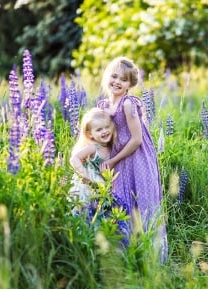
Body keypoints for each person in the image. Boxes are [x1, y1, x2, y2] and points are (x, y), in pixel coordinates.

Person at [97, 56, 168, 262]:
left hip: (136, 158)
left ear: (130, 85)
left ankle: (151, 258)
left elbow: (136, 140)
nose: (118, 82)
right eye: (114, 76)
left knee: (142, 201)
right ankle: (125, 256)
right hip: (116, 160)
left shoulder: (128, 104)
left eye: (124, 80)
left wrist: (112, 161)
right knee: (121, 202)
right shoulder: (103, 105)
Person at [68, 107, 128, 233]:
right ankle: (78, 235)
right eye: (99, 129)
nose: (104, 131)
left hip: (101, 188)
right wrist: (83, 174)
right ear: (90, 134)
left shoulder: (112, 148)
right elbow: (74, 159)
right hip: (87, 186)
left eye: (107, 127)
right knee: (83, 211)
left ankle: (95, 240)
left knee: (99, 215)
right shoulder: (93, 147)